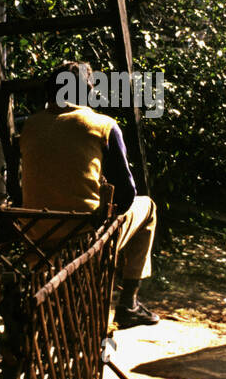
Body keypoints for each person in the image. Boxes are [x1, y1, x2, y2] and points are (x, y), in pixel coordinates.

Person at [18, 61, 159, 328]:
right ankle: (128, 303)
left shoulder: (31, 126)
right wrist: (105, 216)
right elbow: (128, 194)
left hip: (37, 235)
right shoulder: (102, 125)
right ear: (87, 91)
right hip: (83, 238)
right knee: (148, 207)